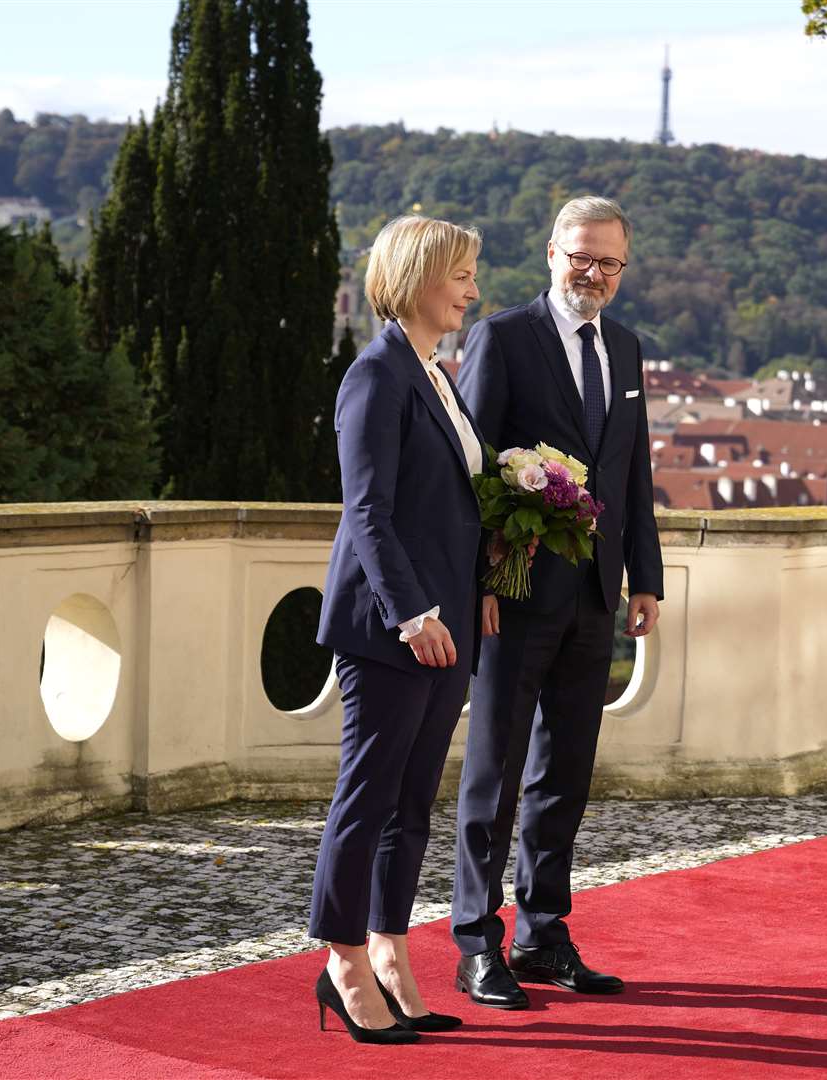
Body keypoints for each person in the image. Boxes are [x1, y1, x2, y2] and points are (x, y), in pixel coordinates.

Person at [451, 196, 663, 1007]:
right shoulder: (503, 338)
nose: (595, 273)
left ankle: (543, 935)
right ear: (551, 253)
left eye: (610, 262)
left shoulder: (629, 349)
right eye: (582, 257)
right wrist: (478, 583)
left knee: (564, 775)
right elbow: (471, 470)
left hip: (594, 598)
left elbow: (630, 475)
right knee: (493, 774)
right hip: (513, 591)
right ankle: (477, 942)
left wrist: (646, 577)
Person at [309, 214, 490, 1043]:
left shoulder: (436, 375)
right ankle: (341, 958)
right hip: (394, 627)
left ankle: (388, 948)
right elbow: (369, 513)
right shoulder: (377, 375)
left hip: (450, 624)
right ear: (419, 276)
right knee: (368, 796)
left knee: (411, 802)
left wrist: (476, 592)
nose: (473, 290)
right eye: (461, 275)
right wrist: (412, 612)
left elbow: (448, 510)